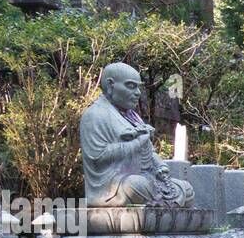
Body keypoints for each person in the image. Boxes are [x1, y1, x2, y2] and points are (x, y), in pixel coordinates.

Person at [79, 62, 195, 207]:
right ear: (110, 85)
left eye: (138, 87)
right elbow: (97, 156)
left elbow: (148, 151)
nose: (138, 93)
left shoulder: (132, 117)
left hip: (147, 178)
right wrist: (136, 142)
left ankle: (160, 204)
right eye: (131, 86)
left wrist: (160, 165)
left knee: (186, 189)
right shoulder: (95, 115)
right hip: (114, 186)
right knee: (135, 185)